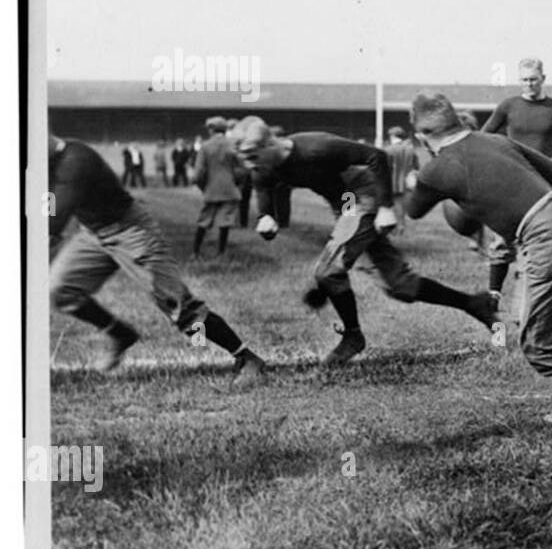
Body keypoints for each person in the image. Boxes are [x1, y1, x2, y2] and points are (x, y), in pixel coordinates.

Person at [406, 91, 552, 424]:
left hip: (546, 236)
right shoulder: (495, 140)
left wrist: (419, 182)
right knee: (533, 315)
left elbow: (413, 211)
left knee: (536, 344)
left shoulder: (437, 168)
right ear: (456, 120)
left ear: (423, 134)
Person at [228, 116, 496, 365]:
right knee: (401, 285)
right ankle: (475, 304)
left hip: (364, 194)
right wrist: (266, 216)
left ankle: (352, 337)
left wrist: (386, 207)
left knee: (328, 271)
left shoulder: (316, 147)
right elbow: (262, 184)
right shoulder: (263, 165)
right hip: (345, 203)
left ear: (269, 143)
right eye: (245, 160)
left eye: (253, 156)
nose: (250, 165)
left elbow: (375, 156)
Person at [48, 136, 265, 382]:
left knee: (179, 307)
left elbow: (52, 219)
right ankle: (119, 334)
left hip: (132, 231)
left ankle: (245, 356)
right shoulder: (47, 164)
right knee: (61, 290)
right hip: (94, 234)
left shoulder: (75, 161)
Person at [479, 58, 552, 308]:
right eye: (524, 80)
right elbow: (485, 136)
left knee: (545, 236)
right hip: (512, 178)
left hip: (543, 180)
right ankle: (493, 295)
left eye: (533, 79)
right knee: (502, 237)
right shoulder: (508, 106)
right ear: (520, 81)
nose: (529, 84)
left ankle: (540, 295)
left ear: (543, 79)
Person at [192, 116, 244, 257]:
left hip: (211, 190)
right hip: (230, 190)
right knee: (225, 221)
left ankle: (195, 252)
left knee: (204, 221)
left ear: (212, 130)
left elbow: (198, 175)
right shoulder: (232, 146)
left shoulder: (205, 147)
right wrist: (235, 182)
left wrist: (204, 187)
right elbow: (242, 169)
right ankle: (221, 252)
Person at [383, 126, 419, 234]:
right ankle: (401, 224)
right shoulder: (410, 149)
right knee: (400, 204)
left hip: (391, 180)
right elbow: (416, 166)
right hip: (405, 181)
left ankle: (391, 226)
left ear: (392, 136)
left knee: (390, 204)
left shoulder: (388, 149)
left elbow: (384, 167)